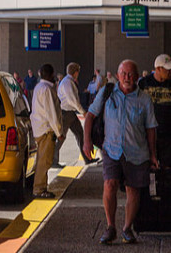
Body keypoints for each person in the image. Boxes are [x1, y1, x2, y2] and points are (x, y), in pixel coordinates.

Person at [83, 60, 159, 245]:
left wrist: (153, 154)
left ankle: (127, 228)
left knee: (133, 190)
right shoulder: (107, 93)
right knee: (109, 184)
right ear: (117, 75)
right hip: (112, 149)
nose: (127, 77)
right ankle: (110, 227)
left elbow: (150, 128)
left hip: (137, 152)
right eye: (124, 73)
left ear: (137, 76)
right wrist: (86, 142)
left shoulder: (144, 99)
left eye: (131, 74)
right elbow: (90, 116)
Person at [30, 63, 63, 199]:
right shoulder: (47, 90)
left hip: (39, 129)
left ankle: (41, 186)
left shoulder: (39, 87)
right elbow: (52, 113)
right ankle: (39, 189)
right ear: (51, 75)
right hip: (46, 130)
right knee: (45, 161)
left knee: (42, 160)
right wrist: (59, 132)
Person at [54, 62, 94, 166]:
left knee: (80, 135)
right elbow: (73, 100)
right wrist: (83, 112)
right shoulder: (68, 82)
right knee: (61, 137)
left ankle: (87, 159)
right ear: (76, 73)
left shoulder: (67, 81)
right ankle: (53, 160)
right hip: (66, 113)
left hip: (69, 113)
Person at [138, 54, 171, 165]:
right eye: (167, 70)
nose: (169, 72)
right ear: (158, 69)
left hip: (167, 133)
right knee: (149, 166)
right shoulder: (144, 83)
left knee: (167, 167)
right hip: (148, 132)